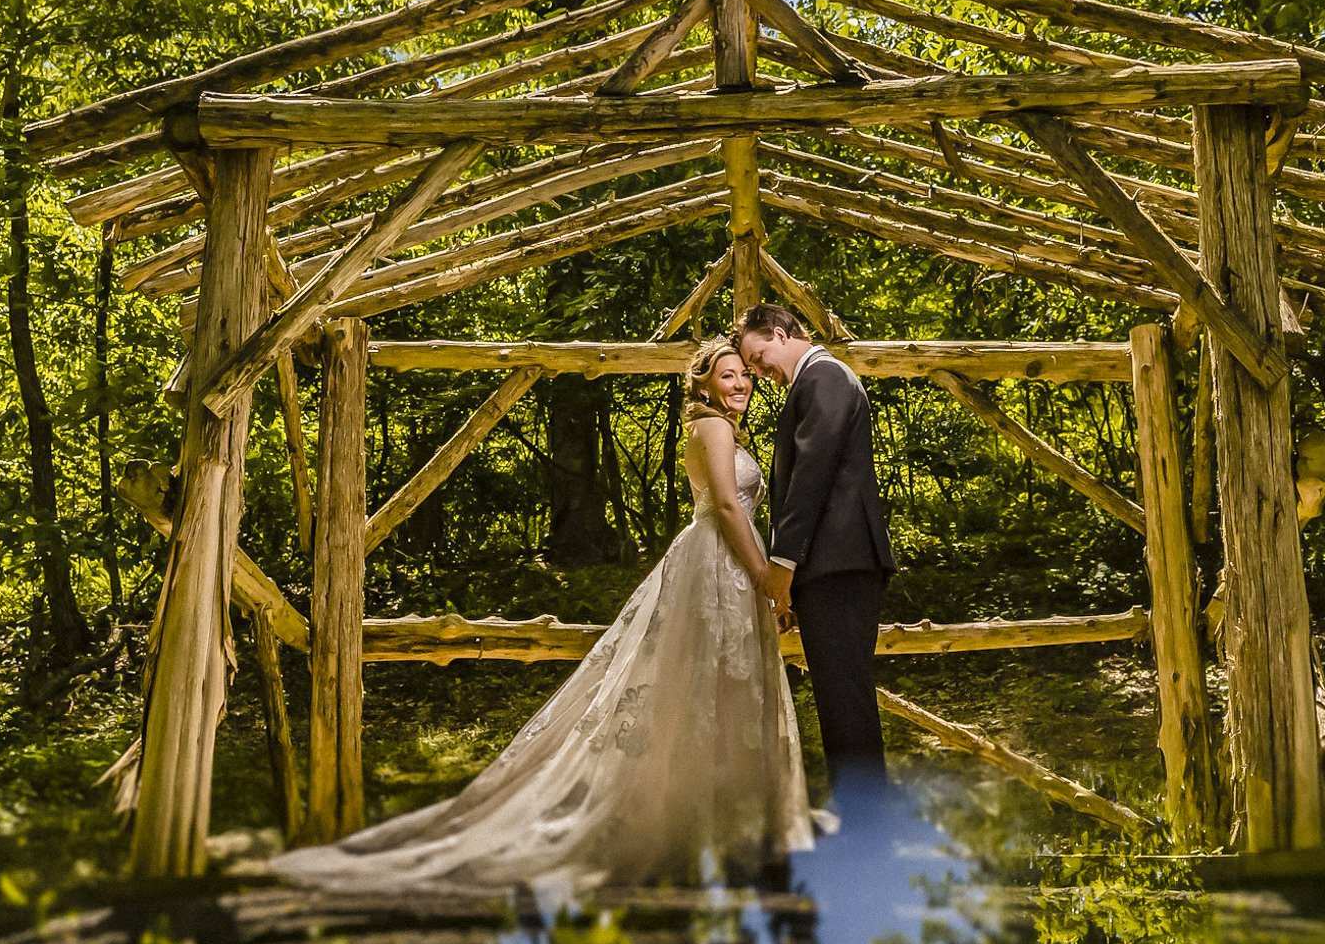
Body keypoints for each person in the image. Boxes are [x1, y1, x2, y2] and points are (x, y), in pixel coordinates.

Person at [272, 338, 814, 895]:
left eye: (744, 376)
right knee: (714, 685)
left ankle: (721, 825)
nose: (741, 384)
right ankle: (714, 830)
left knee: (711, 686)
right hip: (725, 561)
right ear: (702, 384)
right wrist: (766, 579)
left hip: (718, 556)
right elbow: (726, 506)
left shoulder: (708, 427)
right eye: (728, 376)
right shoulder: (715, 429)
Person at [734, 304, 898, 792]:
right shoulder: (817, 380)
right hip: (830, 565)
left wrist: (784, 565)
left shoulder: (824, 377)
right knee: (839, 694)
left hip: (839, 563)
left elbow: (811, 475)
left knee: (844, 698)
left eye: (759, 357)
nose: (760, 372)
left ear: (781, 333)